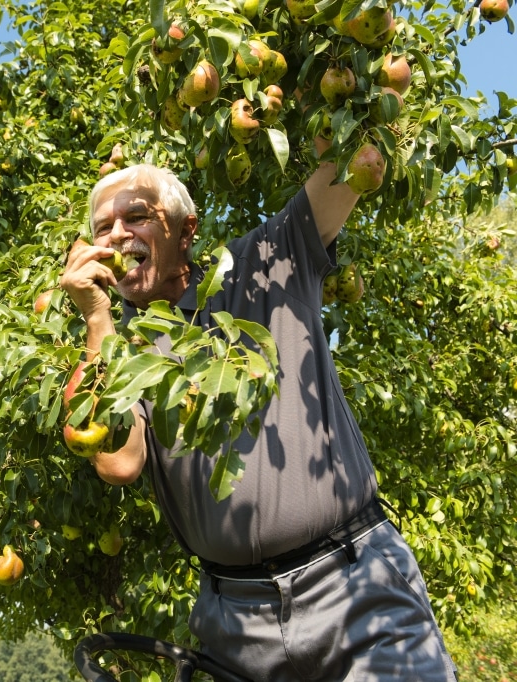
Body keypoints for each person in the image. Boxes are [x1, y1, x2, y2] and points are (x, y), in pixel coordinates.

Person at [59, 149, 457, 681]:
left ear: (185, 230)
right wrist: (97, 320)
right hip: (235, 624)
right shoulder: (120, 349)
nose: (116, 236)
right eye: (103, 227)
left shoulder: (263, 264)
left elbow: (354, 158)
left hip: (355, 590)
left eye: (135, 217)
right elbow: (116, 462)